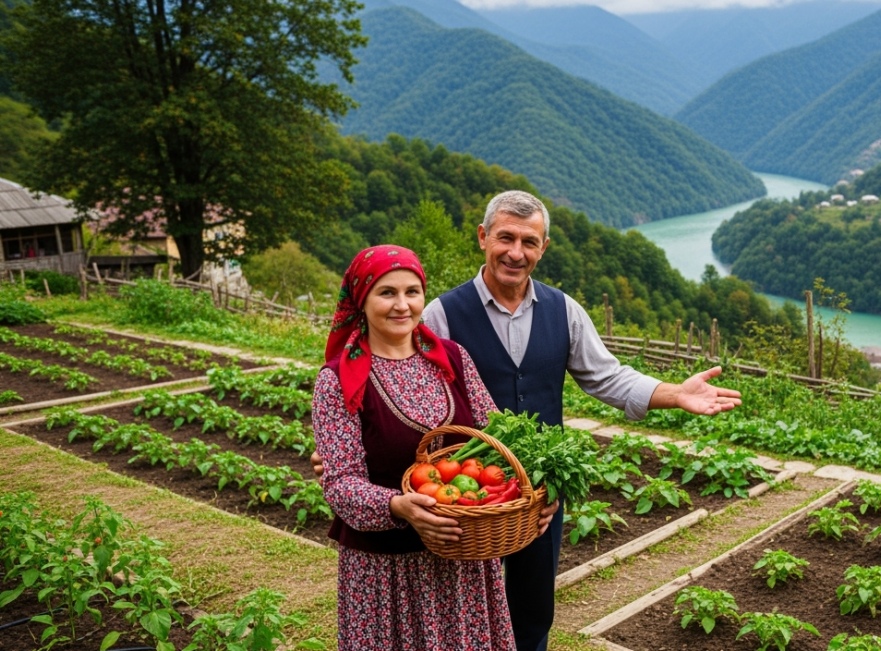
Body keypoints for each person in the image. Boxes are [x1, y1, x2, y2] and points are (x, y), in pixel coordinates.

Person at [314, 191, 742, 651]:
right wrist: (352, 466)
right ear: (483, 237)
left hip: (523, 494)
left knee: (531, 611)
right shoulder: (440, 315)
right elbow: (382, 390)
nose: (516, 252)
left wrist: (675, 394)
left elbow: (608, 377)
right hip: (450, 508)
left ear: (544, 247)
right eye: (505, 238)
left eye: (529, 241)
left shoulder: (562, 311)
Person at [312, 245, 530, 651]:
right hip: (386, 570)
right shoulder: (338, 380)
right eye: (387, 292)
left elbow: (500, 438)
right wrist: (399, 506)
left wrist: (534, 485)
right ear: (361, 301)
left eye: (412, 292)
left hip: (463, 561)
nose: (402, 305)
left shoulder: (453, 359)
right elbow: (339, 483)